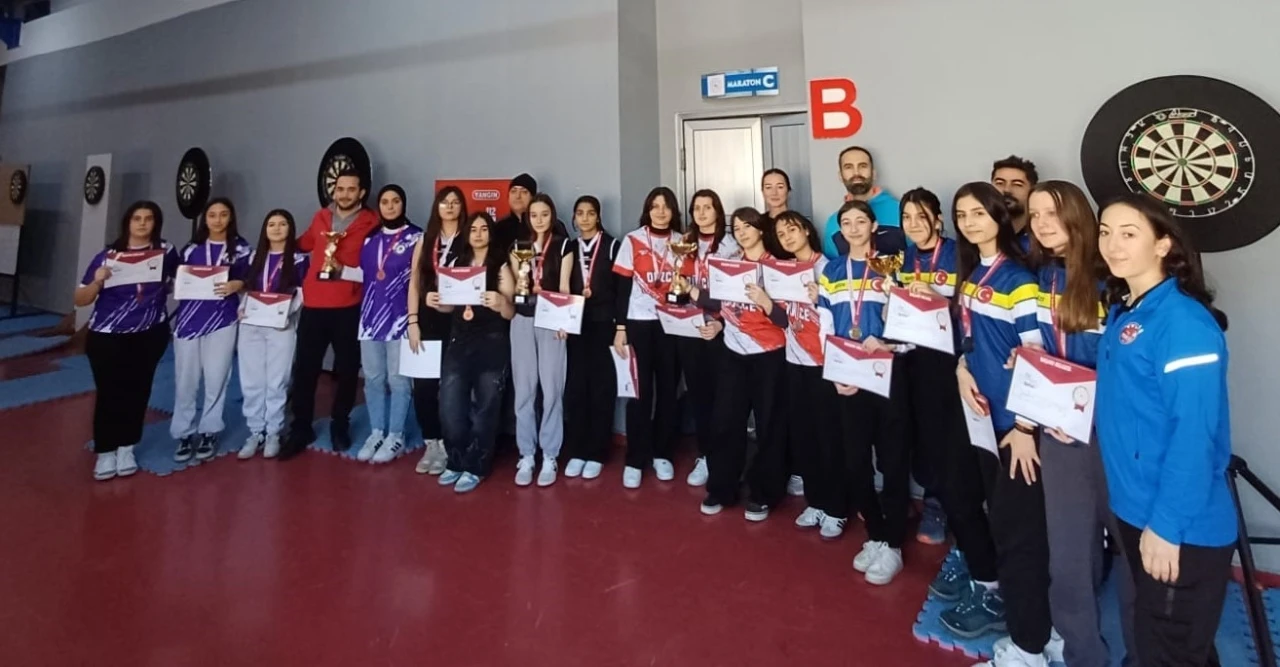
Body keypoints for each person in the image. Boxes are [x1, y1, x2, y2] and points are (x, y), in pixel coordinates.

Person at [990, 180, 1134, 667]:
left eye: (1052, 212)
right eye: (1035, 215)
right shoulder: (1039, 278)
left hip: (1116, 440)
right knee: (1069, 558)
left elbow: (1130, 370)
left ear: (1077, 214)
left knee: (1134, 556)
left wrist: (1080, 406)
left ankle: (1144, 655)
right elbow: (1040, 352)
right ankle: (1083, 655)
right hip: (1060, 437)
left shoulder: (1115, 281)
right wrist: (1029, 375)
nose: (1043, 223)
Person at [1097, 193, 1235, 667]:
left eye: (1129, 233)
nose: (1112, 245)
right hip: (1136, 508)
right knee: (1170, 643)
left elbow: (1195, 436)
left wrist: (1166, 525)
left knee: (1169, 649)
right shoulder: (1129, 309)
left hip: (1179, 525)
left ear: (1163, 244)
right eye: (1105, 232)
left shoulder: (1184, 324)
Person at [944, 183, 1049, 667]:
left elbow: (1037, 358)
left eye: (978, 213)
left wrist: (1025, 428)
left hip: (1015, 427)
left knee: (1020, 532)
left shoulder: (1019, 279)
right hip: (982, 416)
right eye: (962, 215)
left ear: (999, 218)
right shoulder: (972, 273)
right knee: (992, 513)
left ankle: (1033, 640)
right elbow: (971, 338)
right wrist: (963, 367)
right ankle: (1007, 605)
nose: (969, 222)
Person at [894, 188, 1002, 596]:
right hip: (917, 366)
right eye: (906, 218)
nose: (914, 224)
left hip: (957, 369)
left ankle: (983, 565)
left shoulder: (961, 254)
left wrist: (939, 298)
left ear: (938, 220)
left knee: (962, 468)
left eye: (921, 216)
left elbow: (974, 310)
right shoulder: (904, 259)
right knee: (931, 455)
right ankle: (959, 540)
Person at [817, 200, 909, 586]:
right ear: (840, 230)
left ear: (873, 226)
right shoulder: (833, 271)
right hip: (848, 379)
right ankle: (875, 532)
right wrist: (834, 371)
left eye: (860, 221)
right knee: (856, 461)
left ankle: (895, 543)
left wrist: (890, 341)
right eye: (847, 222)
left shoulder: (893, 266)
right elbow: (825, 325)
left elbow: (910, 325)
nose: (853, 228)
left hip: (887, 375)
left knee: (892, 461)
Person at [687, 208, 789, 519]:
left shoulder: (777, 267)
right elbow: (719, 304)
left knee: (769, 426)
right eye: (738, 228)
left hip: (769, 355)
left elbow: (787, 319)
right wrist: (690, 291)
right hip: (733, 353)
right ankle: (722, 488)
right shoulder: (730, 265)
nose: (742, 232)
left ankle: (764, 493)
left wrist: (766, 302)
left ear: (762, 230)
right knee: (725, 422)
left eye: (748, 226)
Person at [75, 201, 179, 481]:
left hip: (149, 334)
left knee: (138, 391)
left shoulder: (166, 251)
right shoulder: (108, 255)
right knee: (109, 392)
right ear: (127, 223)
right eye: (137, 218)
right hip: (107, 336)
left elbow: (179, 280)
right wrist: (98, 281)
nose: (143, 223)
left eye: (148, 218)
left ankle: (126, 448)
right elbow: (80, 299)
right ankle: (105, 450)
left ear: (156, 223)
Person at [280, 170, 380, 459]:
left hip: (349, 306)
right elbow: (303, 243)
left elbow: (377, 265)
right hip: (314, 305)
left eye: (351, 189)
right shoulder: (320, 217)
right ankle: (301, 427)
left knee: (347, 371)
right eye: (340, 189)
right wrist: (275, 242)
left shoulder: (372, 223)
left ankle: (340, 424)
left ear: (362, 193)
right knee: (305, 369)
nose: (344, 194)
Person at [426, 212, 516, 494]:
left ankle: (476, 466)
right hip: (459, 342)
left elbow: (511, 312)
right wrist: (435, 301)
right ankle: (455, 460)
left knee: (485, 408)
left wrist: (500, 302)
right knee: (450, 405)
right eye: (473, 229)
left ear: (491, 233)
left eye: (483, 229)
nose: (478, 234)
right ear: (467, 234)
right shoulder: (456, 263)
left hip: (492, 343)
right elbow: (448, 306)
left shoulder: (500, 265)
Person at [772, 211, 842, 536]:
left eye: (792, 229)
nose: (787, 237)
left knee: (829, 438)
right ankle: (816, 501)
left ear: (807, 231)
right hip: (794, 360)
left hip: (824, 364)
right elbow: (782, 318)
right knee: (804, 435)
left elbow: (842, 316)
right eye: (781, 233)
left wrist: (820, 299)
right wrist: (765, 300)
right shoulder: (783, 270)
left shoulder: (828, 267)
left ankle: (836, 507)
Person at [612, 186, 685, 489]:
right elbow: (621, 288)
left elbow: (689, 285)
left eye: (666, 206)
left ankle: (662, 453)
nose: (661, 211)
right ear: (647, 210)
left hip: (672, 325)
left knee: (668, 391)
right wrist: (620, 328)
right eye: (655, 206)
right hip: (639, 324)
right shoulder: (633, 240)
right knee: (639, 393)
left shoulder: (683, 241)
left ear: (673, 211)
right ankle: (635, 458)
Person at [170, 198, 251, 462]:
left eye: (223, 214)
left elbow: (251, 279)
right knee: (186, 380)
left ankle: (209, 430)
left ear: (231, 217)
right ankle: (183, 432)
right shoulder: (191, 249)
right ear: (205, 219)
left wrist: (238, 284)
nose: (217, 220)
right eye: (212, 215)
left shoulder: (241, 249)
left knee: (217, 378)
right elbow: (177, 280)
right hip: (188, 320)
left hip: (222, 320)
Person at [509, 194, 575, 487]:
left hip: (551, 322)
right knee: (524, 391)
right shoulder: (517, 246)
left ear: (552, 215)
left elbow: (564, 287)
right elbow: (517, 286)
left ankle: (550, 453)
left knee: (552, 390)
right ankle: (526, 454)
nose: (539, 220)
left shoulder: (564, 245)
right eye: (533, 215)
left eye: (544, 214)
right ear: (527, 217)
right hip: (522, 319)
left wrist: (564, 321)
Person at [354, 185, 423, 464]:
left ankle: (396, 434)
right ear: (379, 206)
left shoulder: (416, 237)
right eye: (385, 202)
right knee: (372, 378)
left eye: (396, 201)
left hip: (400, 320)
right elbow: (363, 275)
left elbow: (419, 281)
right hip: (370, 320)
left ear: (403, 204)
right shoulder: (370, 239)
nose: (391, 206)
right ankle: (376, 432)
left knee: (398, 380)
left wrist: (414, 319)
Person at [677, 189, 738, 488]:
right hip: (691, 330)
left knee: (723, 401)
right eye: (696, 208)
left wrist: (721, 324)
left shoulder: (731, 245)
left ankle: (724, 459)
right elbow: (677, 286)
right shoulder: (684, 244)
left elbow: (736, 294)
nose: (701, 213)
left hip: (720, 331)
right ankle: (704, 455)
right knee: (699, 397)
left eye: (707, 207)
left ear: (718, 211)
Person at [237, 209, 308, 460]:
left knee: (276, 381)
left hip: (281, 326)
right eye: (271, 224)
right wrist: (242, 307)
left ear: (290, 229)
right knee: (251, 380)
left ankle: (273, 432)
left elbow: (303, 292)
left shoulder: (298, 259)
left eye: (282, 224)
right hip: (251, 324)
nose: (277, 228)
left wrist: (288, 312)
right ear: (264, 230)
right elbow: (242, 286)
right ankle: (255, 431)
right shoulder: (251, 257)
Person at [407, 186, 465, 475]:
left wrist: (453, 303)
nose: (450, 206)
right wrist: (412, 321)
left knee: (453, 388)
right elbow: (414, 283)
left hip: (458, 322)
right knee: (424, 387)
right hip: (427, 322)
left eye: (455, 202)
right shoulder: (425, 239)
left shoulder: (468, 240)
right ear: (437, 207)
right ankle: (432, 443)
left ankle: (451, 445)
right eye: (445, 202)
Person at [562, 196, 620, 480]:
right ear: (574, 218)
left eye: (590, 213)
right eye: (580, 213)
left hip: (603, 324)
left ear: (598, 216)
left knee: (601, 388)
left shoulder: (612, 245)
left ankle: (597, 452)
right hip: (576, 325)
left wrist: (621, 326)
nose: (585, 218)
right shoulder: (568, 247)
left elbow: (621, 289)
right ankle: (577, 450)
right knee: (576, 388)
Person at [820, 146, 904, 260]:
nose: (856, 173)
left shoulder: (901, 211)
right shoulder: (833, 223)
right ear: (840, 176)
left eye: (863, 166)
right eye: (848, 167)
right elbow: (834, 267)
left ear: (873, 173)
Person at [991, 155, 1039, 246]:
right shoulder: (977, 233)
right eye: (1000, 183)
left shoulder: (1042, 236)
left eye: (1017, 184)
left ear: (1032, 190)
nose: (1007, 190)